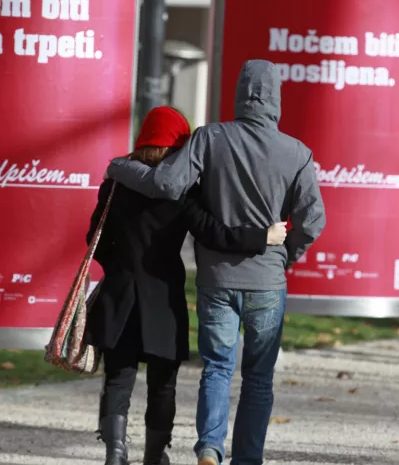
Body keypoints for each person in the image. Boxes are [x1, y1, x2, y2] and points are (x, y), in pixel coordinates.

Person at [104, 60, 326, 465]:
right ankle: (247, 459)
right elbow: (312, 221)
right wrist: (286, 256)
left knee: (218, 368)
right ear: (276, 98)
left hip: (216, 278)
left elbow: (167, 183)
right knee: (258, 379)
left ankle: (209, 447)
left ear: (239, 94)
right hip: (267, 281)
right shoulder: (297, 152)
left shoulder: (210, 138)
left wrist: (120, 166)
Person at [85, 106, 289, 465]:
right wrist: (263, 236)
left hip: (120, 293)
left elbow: (95, 241)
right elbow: (213, 233)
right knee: (163, 383)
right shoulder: (182, 191)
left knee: (118, 377)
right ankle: (154, 456)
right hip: (163, 296)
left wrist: (119, 266)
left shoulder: (115, 184)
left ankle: (115, 453)